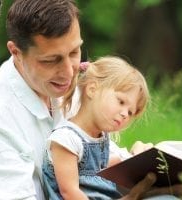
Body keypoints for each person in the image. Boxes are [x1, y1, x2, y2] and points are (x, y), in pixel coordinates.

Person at [0, 0, 182, 199]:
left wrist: (140, 166)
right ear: (16, 52)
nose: (69, 72)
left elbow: (94, 155)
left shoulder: (70, 88)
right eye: (51, 60)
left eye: (74, 52)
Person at [42, 56, 151, 199]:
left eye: (130, 112)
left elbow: (95, 169)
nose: (125, 114)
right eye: (121, 101)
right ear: (92, 89)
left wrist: (133, 160)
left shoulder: (101, 138)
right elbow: (69, 192)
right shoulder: (66, 139)